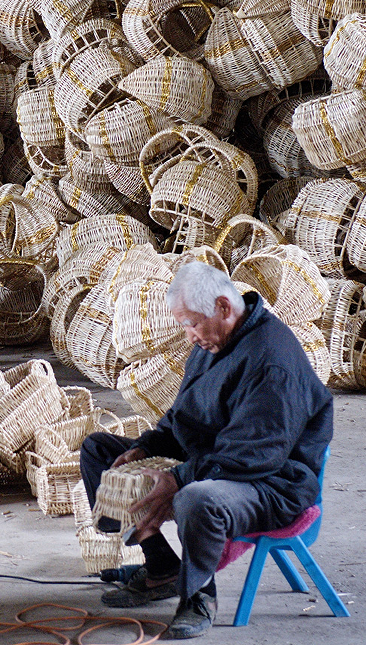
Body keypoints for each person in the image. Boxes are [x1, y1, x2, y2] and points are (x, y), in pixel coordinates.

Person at [79, 261, 332, 639]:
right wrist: (146, 447)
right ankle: (161, 566)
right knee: (99, 452)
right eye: (185, 325)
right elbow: (184, 415)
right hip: (217, 458)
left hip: (272, 480)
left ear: (224, 308)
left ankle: (199, 596)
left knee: (195, 498)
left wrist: (179, 477)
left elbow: (254, 454)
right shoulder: (214, 340)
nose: (189, 335)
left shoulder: (272, 358)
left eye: (192, 323)